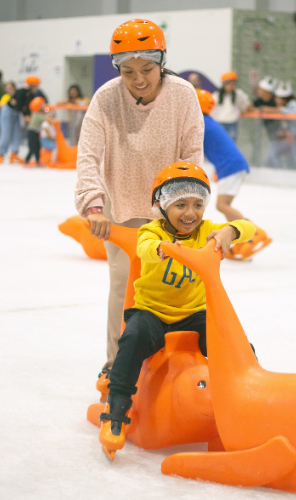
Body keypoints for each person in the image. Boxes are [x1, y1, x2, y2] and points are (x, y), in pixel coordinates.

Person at [74, 19, 204, 380]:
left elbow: (193, 153)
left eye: (147, 69)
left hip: (171, 211)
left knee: (176, 286)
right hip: (121, 206)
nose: (139, 79)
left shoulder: (183, 95)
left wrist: (189, 206)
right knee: (124, 285)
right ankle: (116, 364)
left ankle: (174, 361)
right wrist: (94, 205)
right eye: (128, 71)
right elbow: (88, 155)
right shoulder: (106, 98)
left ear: (161, 61)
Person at [98, 162, 255, 455]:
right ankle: (115, 410)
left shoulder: (207, 230)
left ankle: (247, 401)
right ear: (161, 206)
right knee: (132, 340)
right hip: (152, 313)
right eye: (180, 205)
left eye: (198, 204)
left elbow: (249, 228)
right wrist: (160, 249)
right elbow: (144, 246)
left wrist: (230, 231)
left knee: (234, 344)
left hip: (194, 314)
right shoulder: (151, 231)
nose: (190, 213)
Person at [196, 89, 272, 261]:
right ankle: (245, 236)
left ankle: (254, 233)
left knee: (222, 205)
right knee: (223, 205)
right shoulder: (207, 121)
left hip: (230, 166)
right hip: (230, 165)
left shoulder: (200, 123)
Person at [260, 80, 296, 170]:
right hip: (289, 138)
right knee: (272, 150)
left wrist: (279, 110)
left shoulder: (294, 105)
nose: (276, 100)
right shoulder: (286, 107)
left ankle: (295, 173)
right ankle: (278, 171)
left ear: (283, 99)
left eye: (277, 98)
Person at [211, 71, 253, 142]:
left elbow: (247, 106)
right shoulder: (217, 95)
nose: (232, 85)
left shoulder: (239, 94)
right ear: (224, 84)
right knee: (219, 143)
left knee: (231, 144)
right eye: (230, 83)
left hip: (232, 124)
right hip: (220, 124)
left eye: (234, 83)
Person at [252, 76, 281, 167]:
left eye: (261, 90)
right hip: (269, 132)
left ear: (266, 92)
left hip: (280, 132)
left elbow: (281, 110)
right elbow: (250, 108)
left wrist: (264, 109)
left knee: (271, 154)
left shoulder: (276, 99)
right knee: (271, 154)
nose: (258, 91)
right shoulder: (259, 101)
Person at [0, 81, 22, 164]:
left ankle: (14, 154)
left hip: (15, 115)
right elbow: (2, 105)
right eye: (7, 88)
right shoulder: (6, 96)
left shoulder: (18, 96)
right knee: (5, 134)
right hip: (7, 115)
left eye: (10, 88)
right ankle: (1, 153)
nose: (9, 90)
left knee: (16, 134)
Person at [24, 96, 45, 167]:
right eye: (42, 106)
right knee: (32, 148)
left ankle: (38, 161)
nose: (44, 107)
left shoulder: (35, 113)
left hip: (35, 133)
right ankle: (26, 161)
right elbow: (46, 119)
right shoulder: (38, 115)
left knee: (37, 147)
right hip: (32, 133)